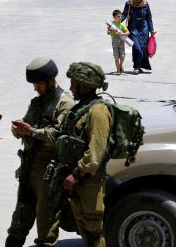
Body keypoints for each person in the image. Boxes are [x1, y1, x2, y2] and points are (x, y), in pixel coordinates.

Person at [5, 57, 76, 247]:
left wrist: (33, 132)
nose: (36, 88)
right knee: (19, 220)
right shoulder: (37, 102)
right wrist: (19, 129)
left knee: (46, 226)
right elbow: (27, 123)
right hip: (29, 167)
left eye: (38, 83)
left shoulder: (65, 103)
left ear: (50, 80)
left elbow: (61, 134)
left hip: (49, 172)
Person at [61, 62, 112, 247]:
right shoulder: (83, 107)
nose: (70, 87)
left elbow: (96, 152)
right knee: (83, 228)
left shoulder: (98, 111)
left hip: (89, 182)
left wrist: (75, 175)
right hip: (79, 180)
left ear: (84, 85)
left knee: (93, 232)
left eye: (73, 83)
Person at [121, 0, 156, 75]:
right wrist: (117, 21)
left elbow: (149, 18)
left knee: (143, 50)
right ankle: (136, 67)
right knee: (137, 48)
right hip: (133, 30)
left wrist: (151, 30)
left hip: (144, 30)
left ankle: (138, 67)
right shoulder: (129, 4)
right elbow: (124, 14)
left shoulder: (145, 4)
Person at [107, 9, 130, 75]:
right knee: (116, 56)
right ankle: (118, 70)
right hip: (114, 41)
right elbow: (108, 33)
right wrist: (112, 31)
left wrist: (123, 34)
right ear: (114, 17)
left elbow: (128, 32)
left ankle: (120, 65)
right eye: (118, 16)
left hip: (121, 41)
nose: (120, 18)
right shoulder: (111, 24)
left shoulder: (122, 25)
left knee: (122, 55)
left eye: (121, 16)